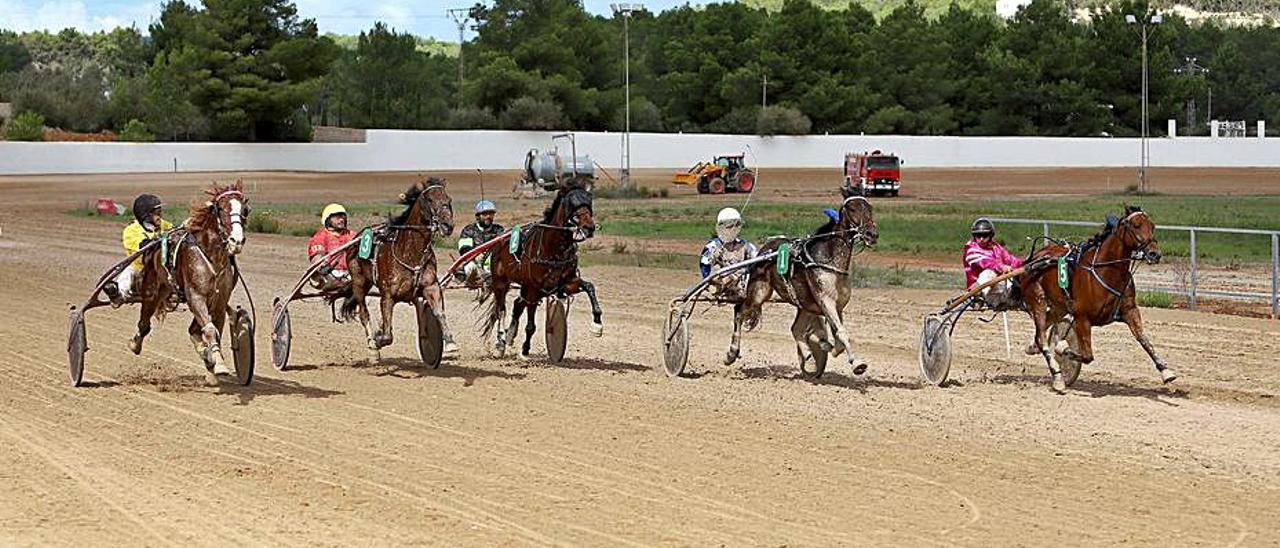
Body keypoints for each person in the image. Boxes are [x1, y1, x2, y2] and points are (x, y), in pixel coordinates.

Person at [103, 194, 174, 307]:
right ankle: (118, 294)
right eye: (156, 213)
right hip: (139, 268)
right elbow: (143, 246)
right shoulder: (131, 231)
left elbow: (174, 231)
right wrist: (156, 240)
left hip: (161, 267)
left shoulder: (163, 225)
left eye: (160, 212)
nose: (159, 216)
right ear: (145, 215)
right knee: (127, 275)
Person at [963, 217, 1023, 308]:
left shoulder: (996, 248)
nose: (981, 239)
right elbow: (986, 262)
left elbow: (1012, 260)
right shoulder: (971, 249)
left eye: (985, 236)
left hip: (999, 291)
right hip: (984, 291)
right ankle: (976, 297)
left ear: (990, 236)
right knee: (989, 273)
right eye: (978, 236)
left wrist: (1028, 262)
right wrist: (1002, 267)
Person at [701, 208, 758, 298]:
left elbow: (757, 256)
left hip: (741, 281)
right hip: (720, 281)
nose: (731, 230)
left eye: (734, 226)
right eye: (729, 227)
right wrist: (714, 256)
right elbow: (704, 264)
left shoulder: (744, 244)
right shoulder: (712, 246)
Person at [456, 200, 505, 285]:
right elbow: (464, 249)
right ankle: (473, 280)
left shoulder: (499, 230)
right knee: (469, 267)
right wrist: (476, 256)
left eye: (491, 214)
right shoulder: (469, 230)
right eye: (485, 214)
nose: (488, 217)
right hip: (475, 263)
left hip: (494, 263)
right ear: (478, 217)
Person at [308, 203, 355, 292]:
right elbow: (317, 257)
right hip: (330, 274)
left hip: (351, 273)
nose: (341, 220)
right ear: (328, 220)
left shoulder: (351, 235)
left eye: (343, 217)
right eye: (337, 218)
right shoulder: (320, 236)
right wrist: (322, 265)